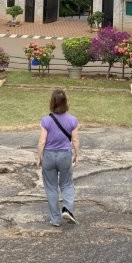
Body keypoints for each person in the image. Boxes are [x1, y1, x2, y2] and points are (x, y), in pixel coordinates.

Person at [37, 88, 80, 226]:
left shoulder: (46, 120)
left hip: (49, 155)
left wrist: (39, 157)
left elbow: (42, 141)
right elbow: (75, 140)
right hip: (64, 155)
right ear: (65, 102)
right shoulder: (73, 120)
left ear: (52, 103)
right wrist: (77, 154)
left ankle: (55, 219)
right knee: (67, 183)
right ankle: (67, 208)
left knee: (51, 187)